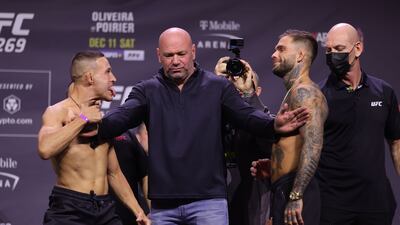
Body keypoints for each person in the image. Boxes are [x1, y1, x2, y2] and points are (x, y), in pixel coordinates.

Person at [98, 27, 309, 225]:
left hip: (209, 203)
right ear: (158, 55)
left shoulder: (217, 86)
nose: (176, 61)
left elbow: (246, 116)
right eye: (169, 55)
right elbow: (122, 116)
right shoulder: (147, 90)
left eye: (181, 54)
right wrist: (89, 123)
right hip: (163, 205)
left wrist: (273, 125)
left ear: (193, 51)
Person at [38, 51, 150, 225]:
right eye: (107, 72)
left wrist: (139, 211)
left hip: (104, 209)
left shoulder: (101, 120)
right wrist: (83, 119)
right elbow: (45, 149)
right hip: (69, 209)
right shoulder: (58, 112)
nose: (113, 78)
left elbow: (114, 173)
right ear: (90, 77)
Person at [316, 22, 400, 225]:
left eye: (339, 49)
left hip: (376, 203)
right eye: (328, 50)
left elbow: (396, 142)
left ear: (358, 49)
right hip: (333, 204)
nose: (332, 55)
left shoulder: (384, 92)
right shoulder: (318, 96)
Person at [251, 29, 328, 225]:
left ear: (300, 55)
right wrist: (274, 168)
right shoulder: (294, 92)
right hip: (285, 188)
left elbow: (313, 144)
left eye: (281, 49)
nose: (273, 54)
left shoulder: (305, 92)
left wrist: (296, 195)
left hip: (296, 191)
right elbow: (295, 144)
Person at [215, 57, 273, 225]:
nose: (232, 84)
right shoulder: (207, 119)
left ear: (257, 90)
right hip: (214, 200)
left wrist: (248, 96)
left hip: (252, 199)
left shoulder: (266, 119)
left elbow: (267, 140)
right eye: (224, 79)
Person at [111, 128, 150, 225]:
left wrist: (151, 211)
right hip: (90, 212)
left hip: (130, 214)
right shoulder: (74, 130)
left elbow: (144, 174)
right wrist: (83, 118)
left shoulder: (127, 136)